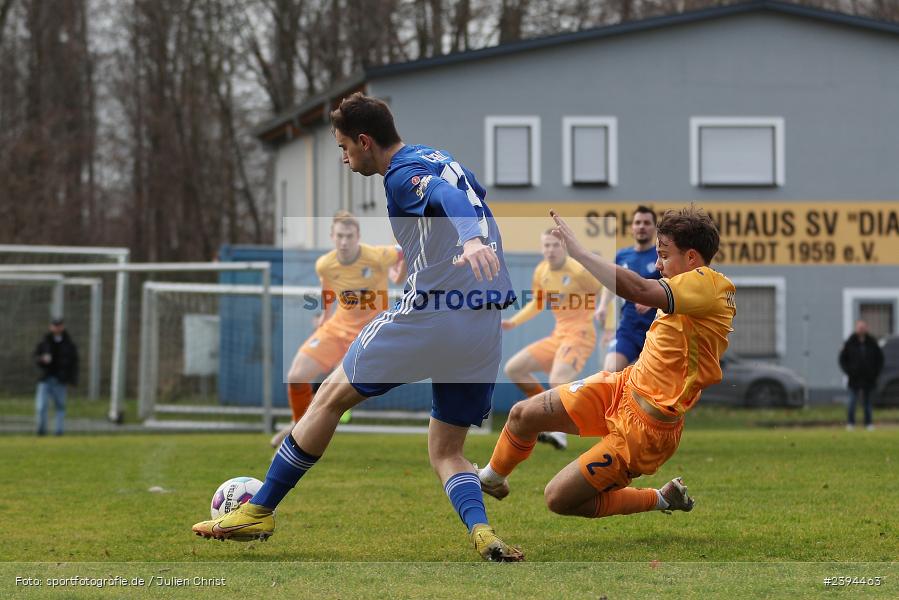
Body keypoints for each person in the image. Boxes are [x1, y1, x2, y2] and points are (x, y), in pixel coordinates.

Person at [193, 93, 524, 562]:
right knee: (447, 451)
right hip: (482, 326)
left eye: (344, 147)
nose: (344, 157)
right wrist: (442, 242)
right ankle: (483, 532)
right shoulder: (436, 157)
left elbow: (446, 198)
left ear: (365, 142)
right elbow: (467, 195)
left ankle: (260, 507)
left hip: (431, 315)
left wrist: (468, 241)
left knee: (328, 397)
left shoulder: (402, 174)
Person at [478, 207, 735, 524]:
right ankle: (490, 478)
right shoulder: (690, 288)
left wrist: (581, 253)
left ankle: (660, 498)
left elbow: (639, 288)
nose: (657, 264)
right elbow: (645, 294)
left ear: (692, 257)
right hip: (622, 387)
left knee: (558, 498)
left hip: (646, 431)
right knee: (522, 414)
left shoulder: (708, 285)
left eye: (664, 255)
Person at [271, 210, 406, 448]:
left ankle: (301, 438)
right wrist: (324, 317)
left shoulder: (376, 256)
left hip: (369, 332)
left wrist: (398, 275)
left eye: (349, 236)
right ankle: (297, 425)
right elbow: (328, 290)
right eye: (340, 236)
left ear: (358, 236)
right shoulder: (324, 264)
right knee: (295, 376)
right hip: (337, 327)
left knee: (332, 389)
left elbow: (404, 251)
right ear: (332, 236)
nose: (344, 241)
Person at [502, 229, 601, 450]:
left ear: (564, 247)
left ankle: (560, 431)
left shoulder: (577, 270)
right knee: (514, 369)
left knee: (558, 379)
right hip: (558, 336)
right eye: (546, 245)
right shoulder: (541, 271)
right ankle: (542, 416)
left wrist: (605, 314)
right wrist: (513, 322)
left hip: (580, 335)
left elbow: (601, 288)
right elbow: (537, 303)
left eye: (555, 245)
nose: (550, 250)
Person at [595, 206, 660, 372]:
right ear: (632, 227)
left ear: (654, 228)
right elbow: (611, 283)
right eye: (638, 222)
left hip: (657, 331)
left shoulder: (661, 256)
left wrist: (653, 301)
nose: (641, 226)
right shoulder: (622, 256)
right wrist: (602, 306)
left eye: (646, 223)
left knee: (647, 384)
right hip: (629, 328)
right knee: (609, 373)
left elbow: (674, 285)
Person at [34, 318, 79, 436]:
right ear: (51, 327)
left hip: (60, 380)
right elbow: (36, 357)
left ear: (62, 327)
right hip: (45, 379)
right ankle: (41, 430)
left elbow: (74, 362)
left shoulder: (68, 344)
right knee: (41, 406)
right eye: (55, 325)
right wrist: (42, 360)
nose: (57, 328)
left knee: (60, 406)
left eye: (59, 325)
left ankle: (59, 431)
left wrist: (72, 379)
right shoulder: (45, 342)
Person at [839, 320, 883, 431]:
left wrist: (875, 373)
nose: (861, 329)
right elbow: (842, 359)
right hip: (854, 378)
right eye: (859, 327)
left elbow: (880, 359)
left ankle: (868, 423)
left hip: (869, 378)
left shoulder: (872, 342)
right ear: (856, 328)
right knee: (852, 402)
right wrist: (849, 371)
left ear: (866, 328)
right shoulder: (850, 342)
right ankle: (850, 423)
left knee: (867, 403)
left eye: (863, 327)